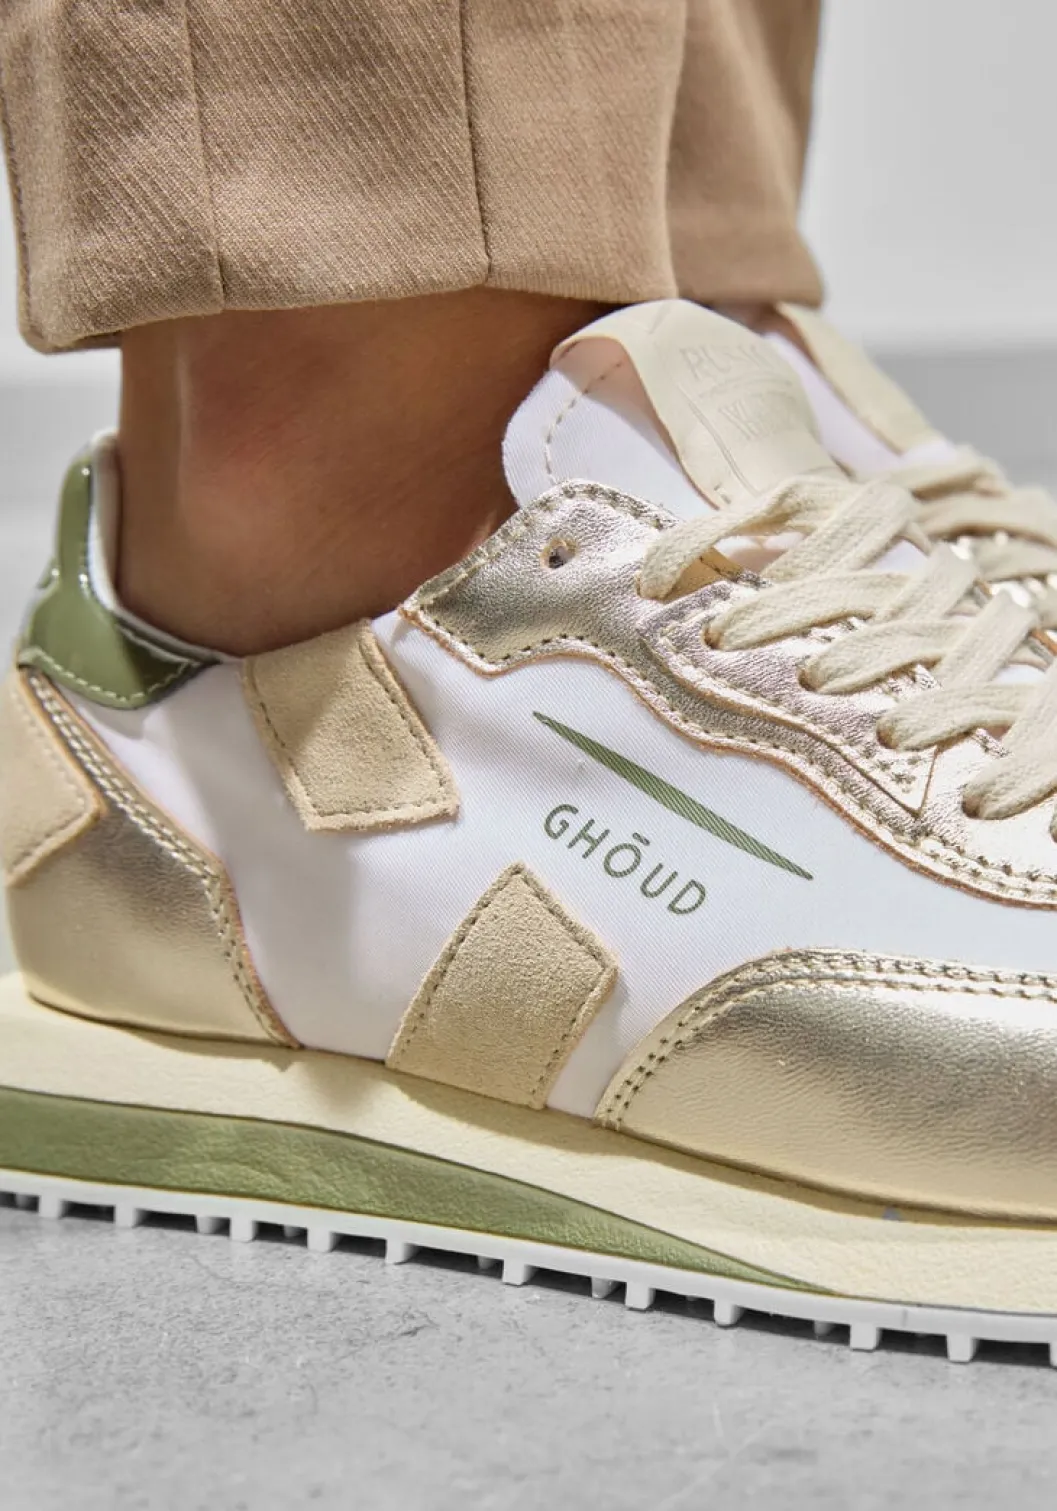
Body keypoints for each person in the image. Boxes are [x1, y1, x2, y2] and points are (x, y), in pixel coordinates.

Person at [3, 2, 1057, 1364]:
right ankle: (322, 547)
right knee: (380, 306)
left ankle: (678, 322)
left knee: (673, 226)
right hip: (306, 642)